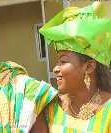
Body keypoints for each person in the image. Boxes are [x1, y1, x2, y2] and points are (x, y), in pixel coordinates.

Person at [32, 2, 111, 133]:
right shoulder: (50, 107)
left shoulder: (108, 111)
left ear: (89, 66)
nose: (55, 69)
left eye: (63, 61)